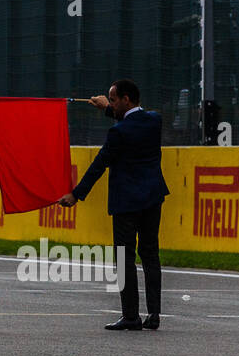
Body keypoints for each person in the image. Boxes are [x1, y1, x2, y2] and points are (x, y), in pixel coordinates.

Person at [57, 79, 170, 332]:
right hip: (153, 197)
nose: (111, 102)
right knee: (150, 254)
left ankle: (130, 315)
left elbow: (100, 163)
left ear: (126, 99)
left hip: (126, 202)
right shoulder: (154, 121)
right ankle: (153, 314)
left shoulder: (118, 132)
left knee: (125, 257)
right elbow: (134, 123)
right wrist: (108, 109)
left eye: (114, 99)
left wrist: (76, 194)